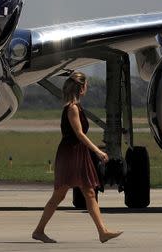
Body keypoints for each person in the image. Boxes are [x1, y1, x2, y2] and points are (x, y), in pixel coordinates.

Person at [32, 72, 122, 244]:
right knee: (59, 195)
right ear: (81, 88)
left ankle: (102, 232)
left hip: (77, 153)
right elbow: (79, 134)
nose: (87, 88)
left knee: (88, 192)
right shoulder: (73, 108)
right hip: (70, 154)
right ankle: (38, 231)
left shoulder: (76, 107)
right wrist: (98, 151)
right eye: (86, 85)